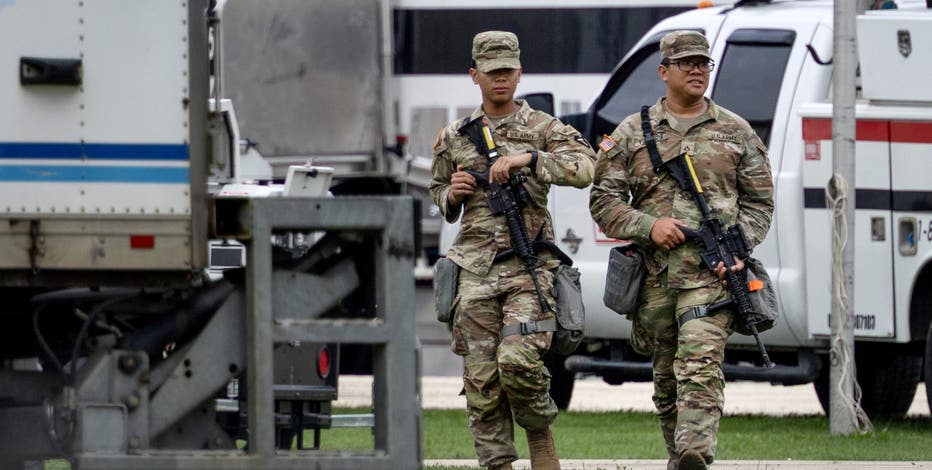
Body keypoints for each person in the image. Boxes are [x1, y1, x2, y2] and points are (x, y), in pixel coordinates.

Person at [589, 31, 774, 470]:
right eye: (686, 63)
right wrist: (649, 226)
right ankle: (680, 457)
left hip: (713, 276)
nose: (696, 70)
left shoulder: (736, 131)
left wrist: (739, 244)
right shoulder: (632, 133)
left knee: (699, 363)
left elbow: (761, 204)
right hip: (654, 278)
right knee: (667, 380)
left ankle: (696, 453)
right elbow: (602, 202)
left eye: (703, 64)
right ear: (663, 71)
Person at [429, 31, 596, 470]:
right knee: (482, 384)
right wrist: (454, 192)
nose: (500, 79)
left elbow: (585, 167)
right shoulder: (454, 136)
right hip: (475, 269)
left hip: (530, 267)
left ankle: (539, 434)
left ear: (519, 74)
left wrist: (531, 160)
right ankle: (498, 464)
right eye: (491, 72)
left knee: (519, 360)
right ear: (475, 76)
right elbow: (438, 190)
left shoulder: (543, 128)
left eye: (507, 71)